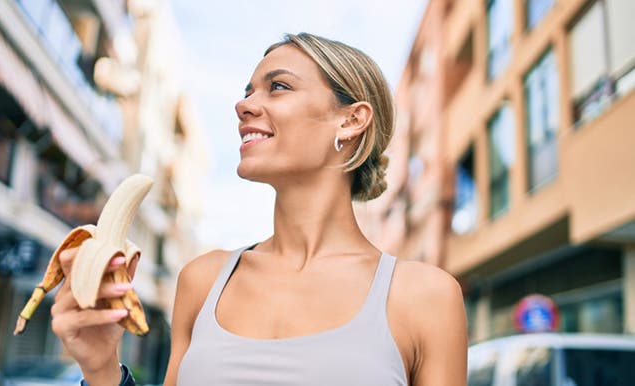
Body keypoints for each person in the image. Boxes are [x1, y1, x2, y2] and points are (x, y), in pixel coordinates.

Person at [50, 32, 468, 386]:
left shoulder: (424, 297)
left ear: (351, 120)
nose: (243, 105)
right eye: (247, 92)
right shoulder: (203, 280)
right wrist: (102, 367)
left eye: (279, 87)